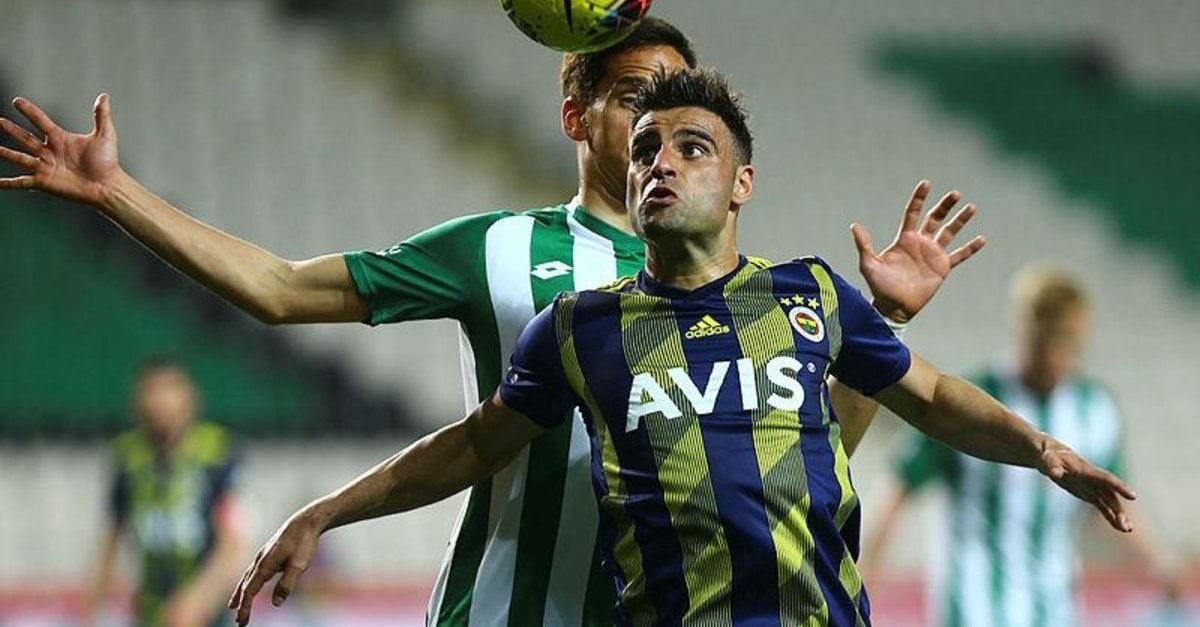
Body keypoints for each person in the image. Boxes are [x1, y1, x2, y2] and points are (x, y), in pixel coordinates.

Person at [0, 19, 982, 626]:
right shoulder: (499, 249)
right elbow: (283, 289)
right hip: (503, 611)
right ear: (576, 115)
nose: (662, 130)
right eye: (634, 99)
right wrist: (118, 192)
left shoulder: (745, 286)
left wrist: (885, 319)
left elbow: (810, 459)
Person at [226, 68, 1135, 627]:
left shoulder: (811, 297)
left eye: (692, 147)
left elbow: (928, 396)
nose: (660, 161)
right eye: (646, 149)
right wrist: (326, 511)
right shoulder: (581, 328)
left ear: (742, 183)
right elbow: (471, 446)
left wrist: (1043, 449)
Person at [859, 265, 1180, 627]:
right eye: (1045, 340)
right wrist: (862, 573)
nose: (1053, 354)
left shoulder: (1095, 410)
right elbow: (898, 488)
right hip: (972, 610)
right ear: (1024, 328)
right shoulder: (969, 401)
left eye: (1065, 341)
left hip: (1054, 610)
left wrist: (1162, 564)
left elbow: (1110, 504)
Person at [81, 358, 245, 627]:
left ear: (189, 397)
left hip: (207, 615)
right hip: (149, 611)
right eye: (151, 390)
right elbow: (111, 537)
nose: (159, 401)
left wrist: (198, 600)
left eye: (169, 388)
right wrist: (90, 611)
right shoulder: (126, 456)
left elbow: (233, 543)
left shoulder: (217, 451)